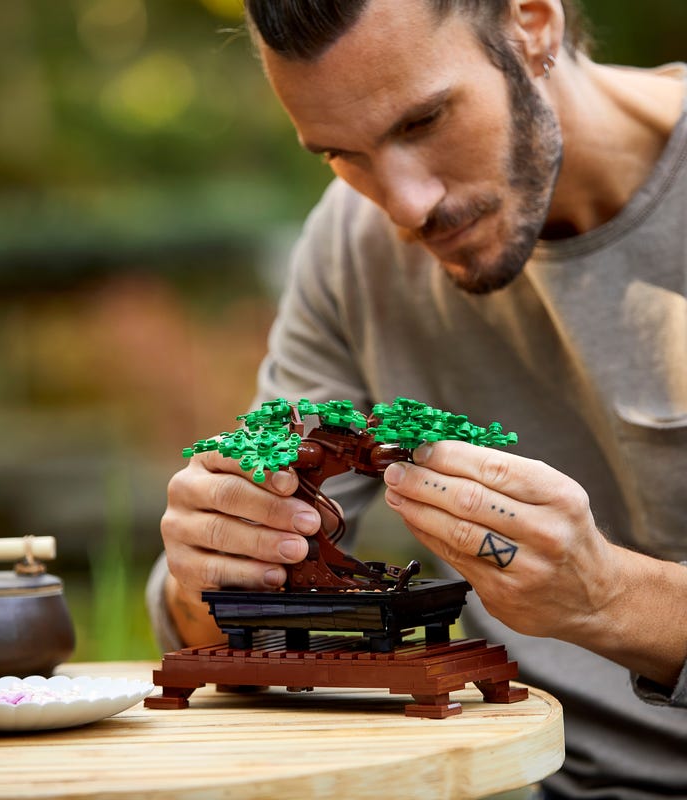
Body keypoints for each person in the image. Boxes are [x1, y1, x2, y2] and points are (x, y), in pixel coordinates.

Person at [147, 1, 687, 797]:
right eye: (342, 153)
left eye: (425, 121)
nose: (404, 207)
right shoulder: (350, 248)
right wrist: (212, 567)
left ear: (534, 23)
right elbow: (202, 636)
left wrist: (611, 597)